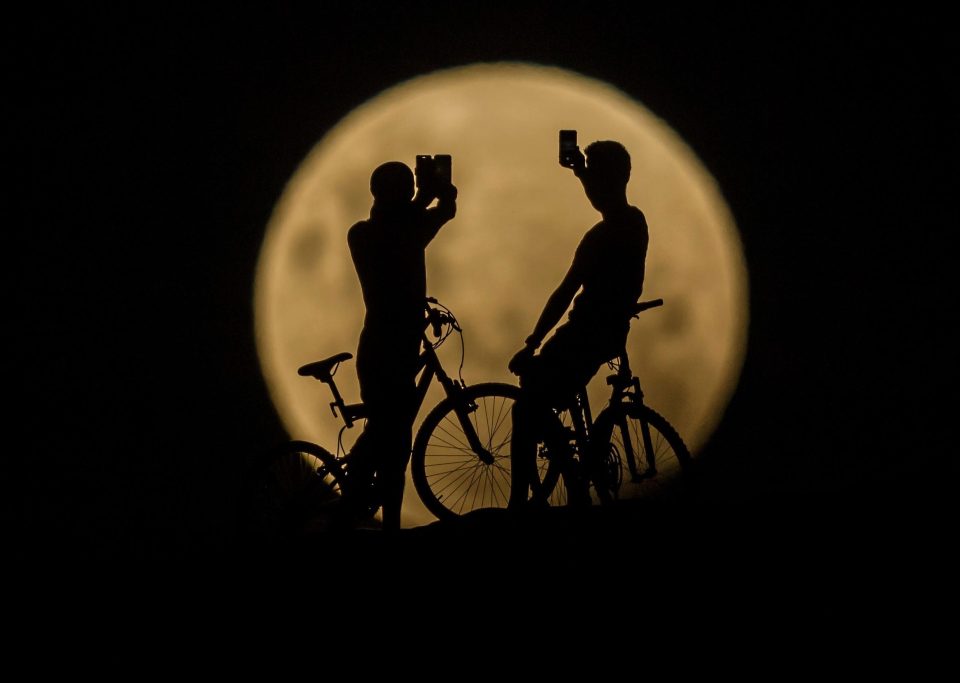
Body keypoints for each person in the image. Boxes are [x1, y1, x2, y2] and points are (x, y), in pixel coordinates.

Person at [507, 139, 648, 509]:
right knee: (552, 391)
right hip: (612, 332)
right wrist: (583, 173)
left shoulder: (599, 237)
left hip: (585, 334)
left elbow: (565, 293)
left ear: (605, 180)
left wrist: (533, 341)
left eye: (594, 177)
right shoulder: (636, 222)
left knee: (526, 406)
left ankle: (520, 503)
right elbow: (608, 196)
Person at [346, 159, 457, 531]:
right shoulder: (375, 232)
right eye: (407, 185)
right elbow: (414, 226)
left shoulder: (382, 231)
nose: (412, 191)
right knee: (393, 446)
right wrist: (432, 193)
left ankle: (359, 500)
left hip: (388, 347)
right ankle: (383, 522)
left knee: (386, 433)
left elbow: (427, 219)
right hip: (388, 351)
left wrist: (431, 196)